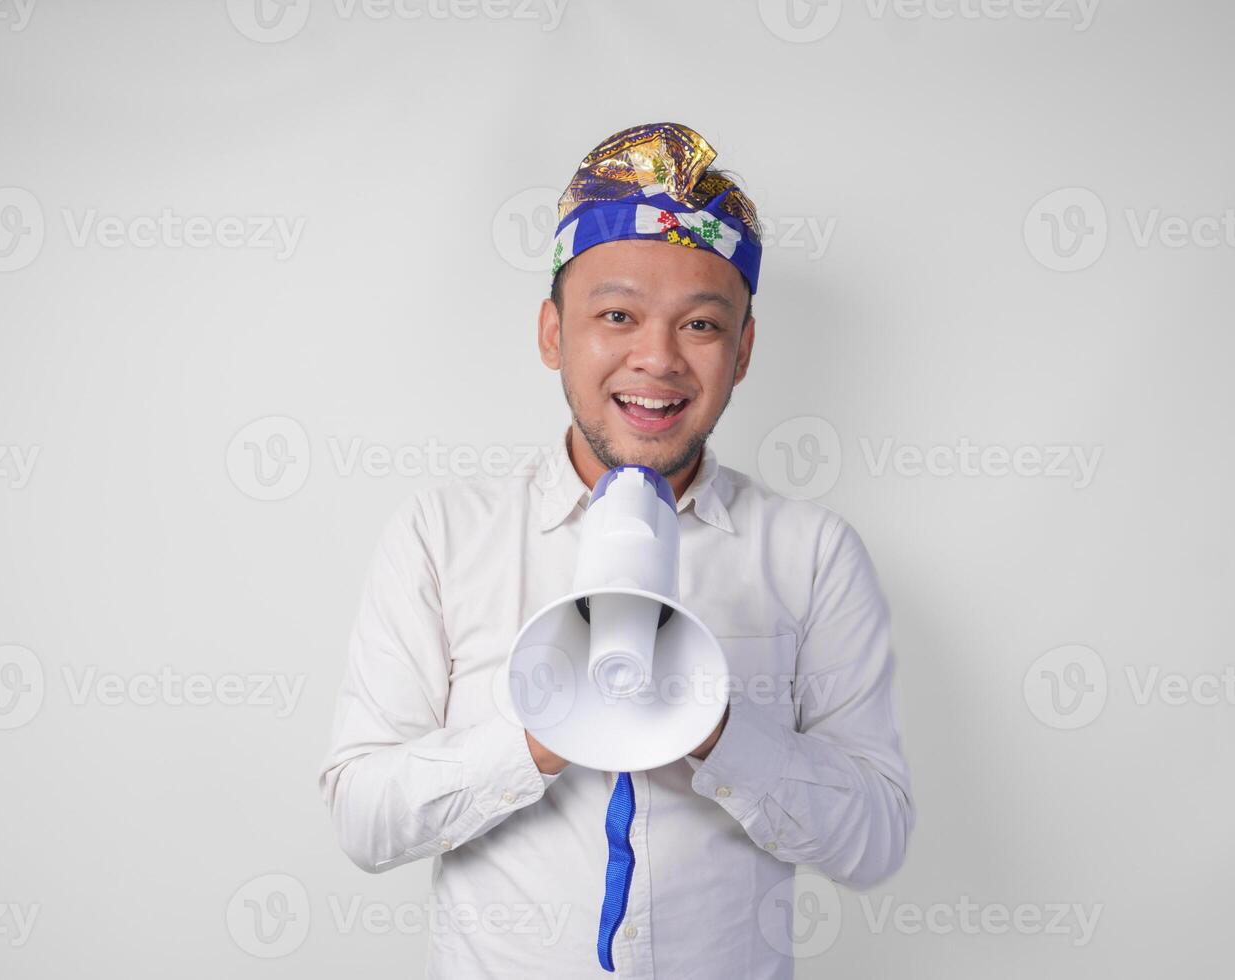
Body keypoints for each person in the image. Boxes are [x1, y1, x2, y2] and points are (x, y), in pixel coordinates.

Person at [319, 121, 915, 979]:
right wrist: (542, 731)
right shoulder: (441, 536)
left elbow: (875, 843)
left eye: (701, 324)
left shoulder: (812, 553)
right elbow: (364, 822)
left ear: (742, 351)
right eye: (617, 315)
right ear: (554, 333)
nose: (657, 359)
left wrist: (717, 732)